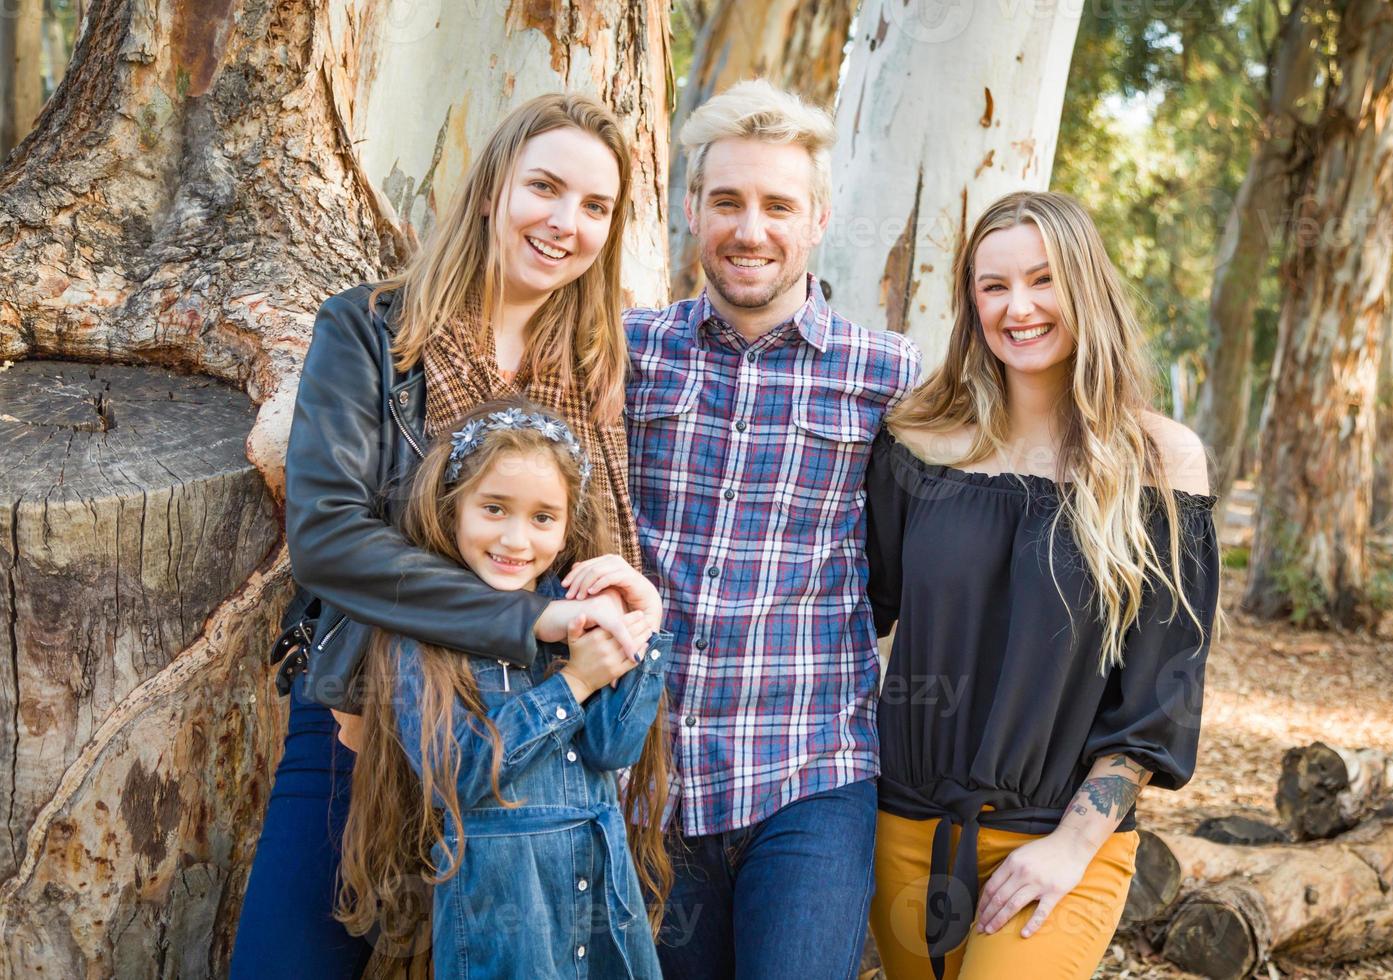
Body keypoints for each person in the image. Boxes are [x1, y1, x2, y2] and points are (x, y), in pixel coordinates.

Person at [232, 93, 650, 978]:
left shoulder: (597, 368)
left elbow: (597, 557)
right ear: (495, 186)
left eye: (596, 206)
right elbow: (329, 538)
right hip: (363, 728)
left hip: (525, 763)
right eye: (546, 186)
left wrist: (627, 596)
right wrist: (526, 621)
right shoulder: (375, 332)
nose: (565, 223)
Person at [587, 80, 922, 979]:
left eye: (779, 205)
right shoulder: (623, 353)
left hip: (811, 769)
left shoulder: (890, 377)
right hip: (648, 772)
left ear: (816, 220)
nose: (751, 229)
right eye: (727, 201)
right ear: (692, 208)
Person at [863, 190, 1219, 980]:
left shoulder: (1158, 463)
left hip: (1061, 840)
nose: (1018, 307)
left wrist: (1070, 846)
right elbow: (853, 613)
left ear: (1084, 286)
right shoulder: (918, 443)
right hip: (903, 826)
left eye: (1042, 279)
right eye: (993, 286)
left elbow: (1160, 697)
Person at [336, 399, 673, 978]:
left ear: (568, 524)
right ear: (452, 509)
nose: (517, 540)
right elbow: (458, 775)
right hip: (504, 917)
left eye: (543, 517)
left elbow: (610, 748)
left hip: (598, 894)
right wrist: (574, 682)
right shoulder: (425, 631)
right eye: (494, 508)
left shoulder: (573, 614)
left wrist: (646, 618)